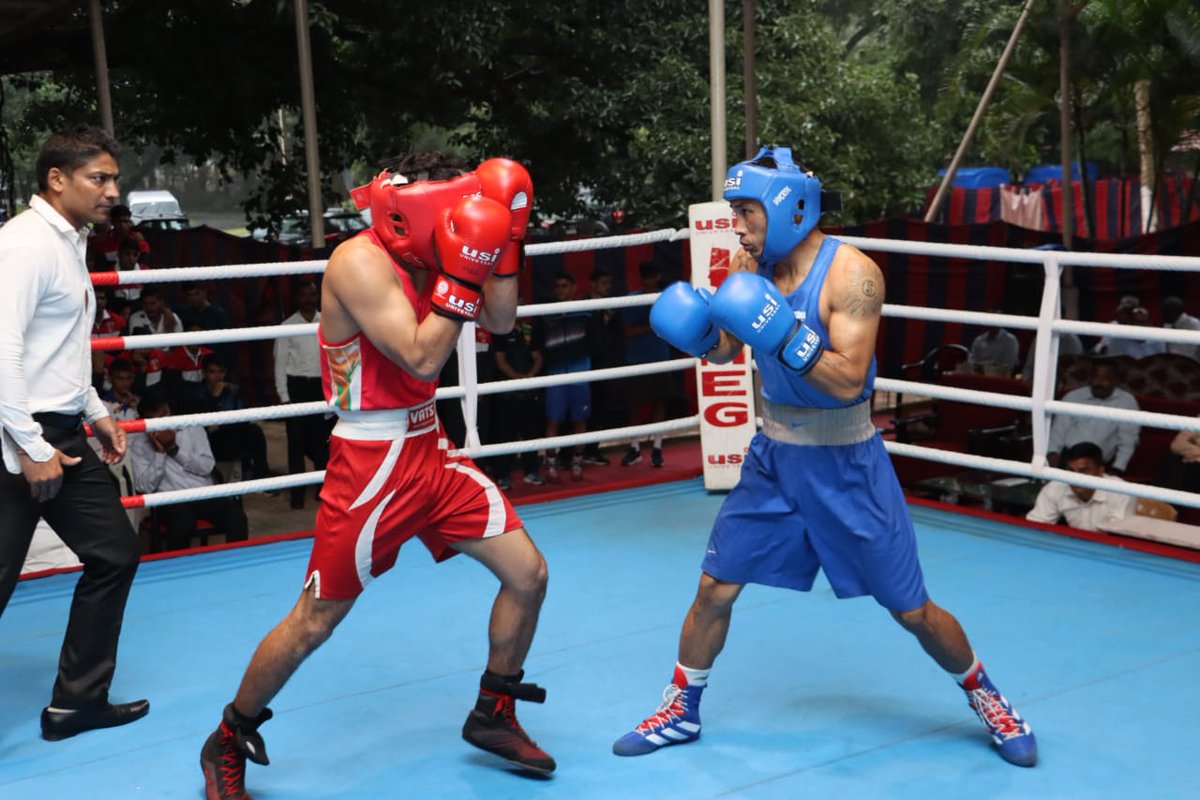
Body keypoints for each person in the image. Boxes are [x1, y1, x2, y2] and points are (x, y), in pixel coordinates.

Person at [612, 146, 1037, 767]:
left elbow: (846, 379)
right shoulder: (746, 261)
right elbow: (732, 348)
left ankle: (987, 697)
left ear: (788, 208)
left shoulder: (854, 275)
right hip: (773, 457)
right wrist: (705, 334)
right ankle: (681, 709)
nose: (737, 225)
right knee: (713, 589)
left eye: (747, 211)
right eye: (733, 211)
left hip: (847, 460)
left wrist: (781, 329)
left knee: (911, 610)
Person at [200, 154, 556, 800]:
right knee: (315, 620)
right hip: (371, 460)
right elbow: (421, 355)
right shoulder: (358, 262)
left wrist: (503, 239)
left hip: (429, 444)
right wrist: (459, 267)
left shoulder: (440, 245)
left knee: (528, 574)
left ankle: (493, 710)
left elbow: (500, 322)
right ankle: (228, 736)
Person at [0, 126, 147, 741]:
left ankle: (76, 702)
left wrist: (95, 408)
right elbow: (2, 348)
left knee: (114, 552)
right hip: (19, 433)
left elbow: (54, 347)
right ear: (56, 179)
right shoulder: (26, 243)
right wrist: (30, 447)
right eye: (100, 178)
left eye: (114, 179)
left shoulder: (69, 240)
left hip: (58, 426)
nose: (112, 190)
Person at [130, 391, 249, 552]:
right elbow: (144, 487)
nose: (163, 422)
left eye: (165, 414)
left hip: (202, 492)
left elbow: (207, 466)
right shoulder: (139, 444)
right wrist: (160, 453)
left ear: (169, 410)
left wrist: (174, 450)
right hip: (171, 499)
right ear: (144, 420)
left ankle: (238, 566)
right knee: (182, 524)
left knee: (236, 517)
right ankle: (180, 572)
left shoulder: (192, 428)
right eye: (155, 419)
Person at [273, 279, 330, 509]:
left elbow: (333, 358)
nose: (308, 299)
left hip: (320, 387)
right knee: (295, 444)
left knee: (321, 442)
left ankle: (322, 491)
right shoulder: (287, 326)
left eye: (312, 294)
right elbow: (279, 363)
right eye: (303, 295)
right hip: (296, 386)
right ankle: (296, 495)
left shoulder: (328, 322)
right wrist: (284, 396)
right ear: (297, 299)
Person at [1047, 358, 1140, 475]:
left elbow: (1127, 441)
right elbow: (1058, 431)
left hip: (1097, 465)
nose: (1099, 383)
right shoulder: (1073, 397)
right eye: (1096, 377)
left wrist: (1118, 469)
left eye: (1105, 378)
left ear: (1116, 380)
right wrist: (1052, 454)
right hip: (1066, 460)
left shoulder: (1126, 402)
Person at [620, 260, 671, 467]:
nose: (649, 280)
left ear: (658, 276)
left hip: (660, 357)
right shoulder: (632, 300)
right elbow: (628, 332)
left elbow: (670, 327)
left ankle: (657, 448)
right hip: (637, 359)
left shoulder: (667, 299)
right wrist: (653, 327)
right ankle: (635, 447)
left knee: (660, 402)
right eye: (646, 276)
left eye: (652, 275)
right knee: (635, 406)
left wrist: (653, 326)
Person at [541, 271, 592, 481]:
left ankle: (577, 461)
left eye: (564, 286)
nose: (560, 290)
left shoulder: (585, 314)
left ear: (573, 289)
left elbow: (596, 343)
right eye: (557, 286)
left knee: (579, 421)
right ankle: (551, 462)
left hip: (580, 376)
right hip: (555, 377)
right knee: (553, 421)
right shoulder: (546, 315)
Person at [1025, 441, 1136, 530]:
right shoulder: (1057, 487)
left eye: (1083, 471)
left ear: (1100, 471)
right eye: (1071, 471)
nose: (1076, 477)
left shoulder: (1121, 492)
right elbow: (1035, 526)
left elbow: (1117, 537)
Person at [581, 267, 625, 465]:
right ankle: (572, 455)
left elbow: (618, 334)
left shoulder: (611, 306)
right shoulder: (582, 306)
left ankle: (592, 450)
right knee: (579, 410)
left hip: (604, 363)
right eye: (604, 283)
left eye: (609, 283)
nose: (608, 287)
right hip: (582, 365)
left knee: (600, 408)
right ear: (593, 284)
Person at [1161, 296, 1200, 361]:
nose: (1162, 314)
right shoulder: (1169, 325)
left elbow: (1185, 354)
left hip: (1190, 366)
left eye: (1165, 310)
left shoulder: (1193, 324)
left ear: (1173, 311)